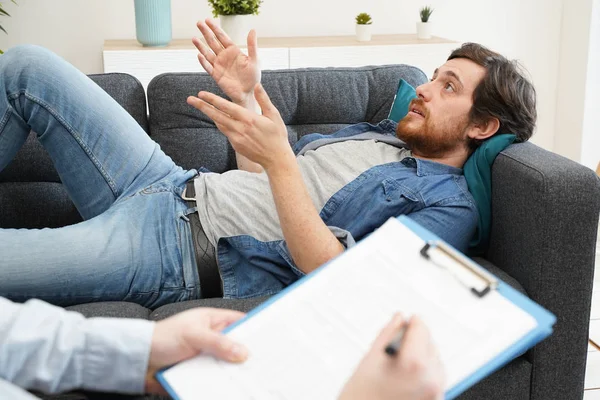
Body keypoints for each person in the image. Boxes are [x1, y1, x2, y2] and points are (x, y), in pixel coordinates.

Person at [0, 20, 536, 308]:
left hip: (178, 252)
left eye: (448, 87)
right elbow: (264, 181)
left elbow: (338, 279)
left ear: (482, 126)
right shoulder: (382, 138)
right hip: (170, 184)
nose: (423, 88)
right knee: (28, 67)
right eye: (434, 74)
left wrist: (280, 159)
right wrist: (249, 95)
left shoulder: (448, 206)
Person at [0, 297, 444, 400]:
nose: (422, 88)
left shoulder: (443, 196)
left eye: (448, 85)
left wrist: (148, 346)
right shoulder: (366, 134)